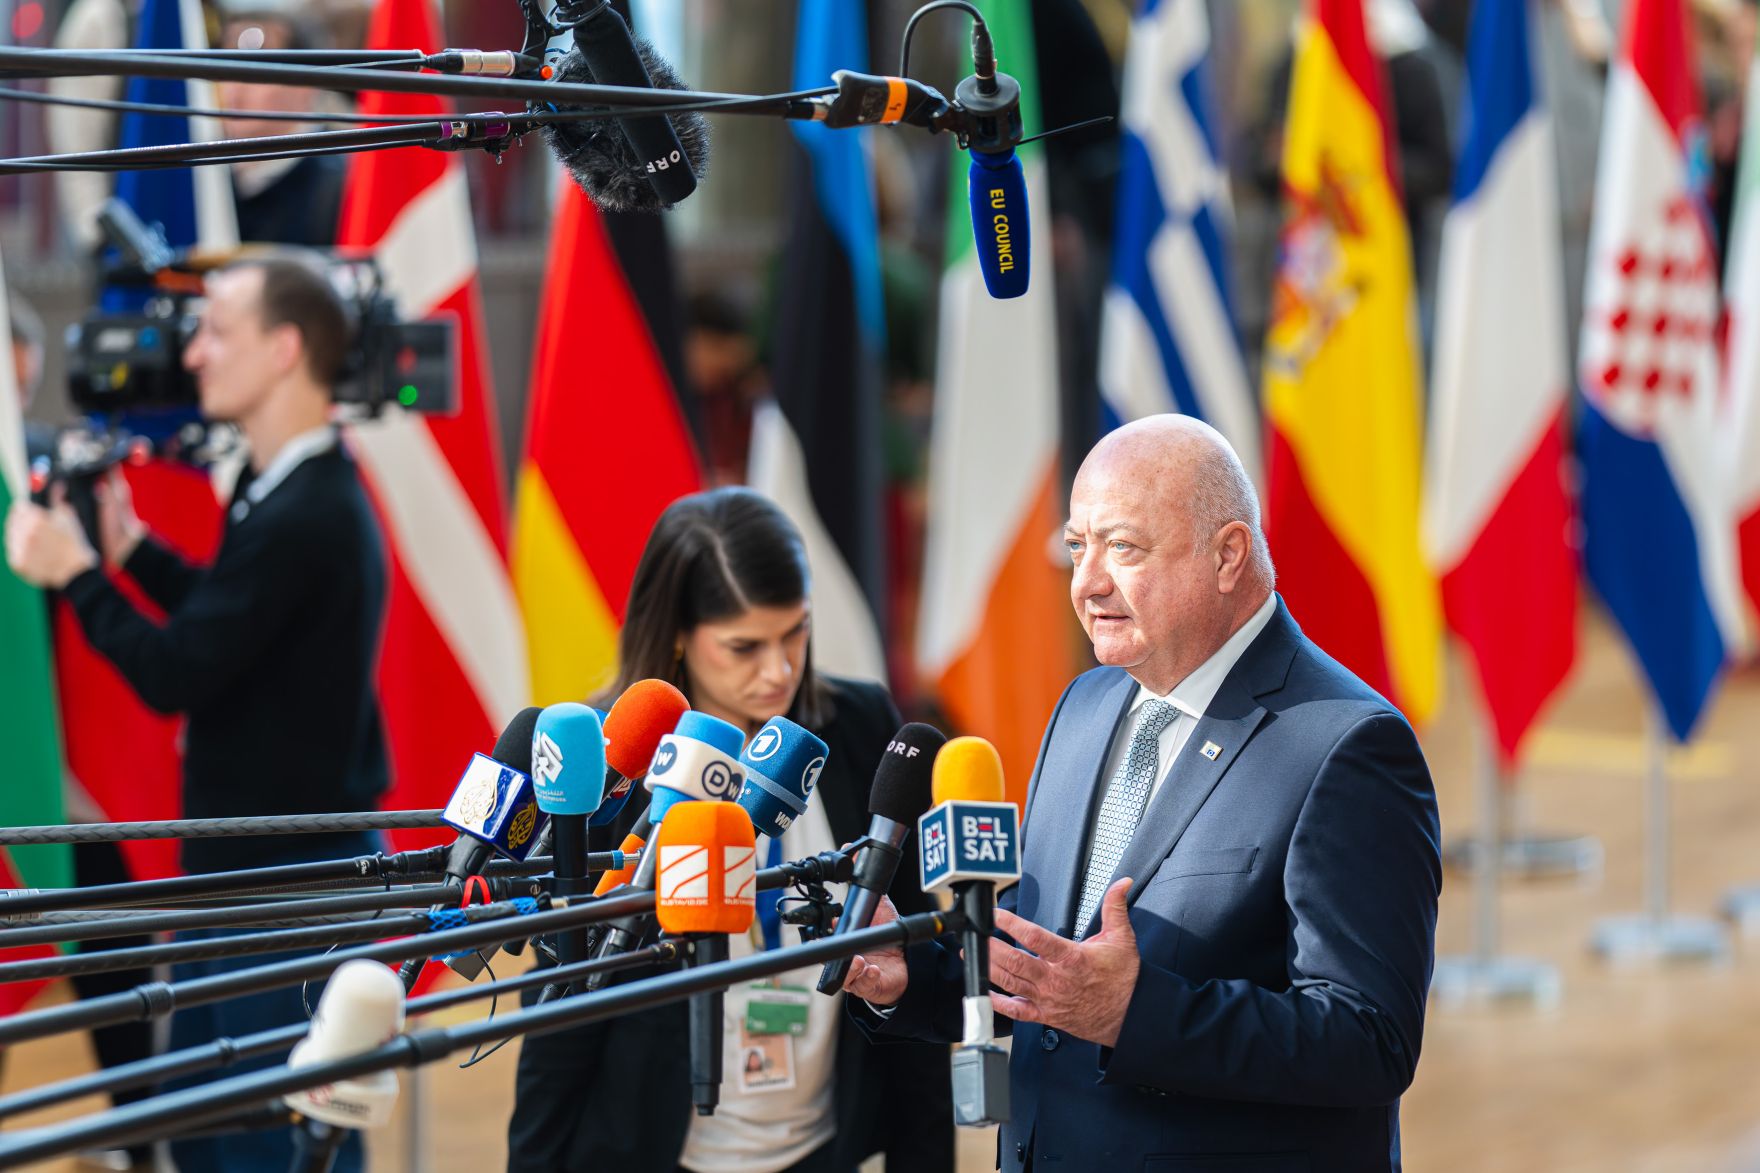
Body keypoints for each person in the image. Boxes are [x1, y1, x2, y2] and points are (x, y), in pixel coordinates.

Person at [843, 415, 1441, 1173]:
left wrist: (1137, 1013)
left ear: (1228, 555)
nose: (1087, 582)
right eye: (1076, 546)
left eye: (1122, 548)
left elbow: (1370, 1039)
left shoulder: (1347, 745)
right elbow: (1046, 950)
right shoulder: (1086, 705)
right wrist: (909, 972)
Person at [5, 254, 388, 1173]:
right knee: (207, 1116)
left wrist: (77, 575)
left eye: (218, 330)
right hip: (246, 872)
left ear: (285, 348)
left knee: (280, 1133)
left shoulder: (312, 510)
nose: (195, 353)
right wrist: (133, 556)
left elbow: (181, 671)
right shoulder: (288, 490)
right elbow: (233, 614)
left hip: (287, 884)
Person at [506, 486, 953, 1173]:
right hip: (657, 1149)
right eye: (744, 646)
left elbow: (907, 951)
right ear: (680, 634)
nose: (778, 670)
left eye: (794, 632)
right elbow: (563, 1009)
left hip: (823, 1144)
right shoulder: (612, 765)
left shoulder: (864, 727)